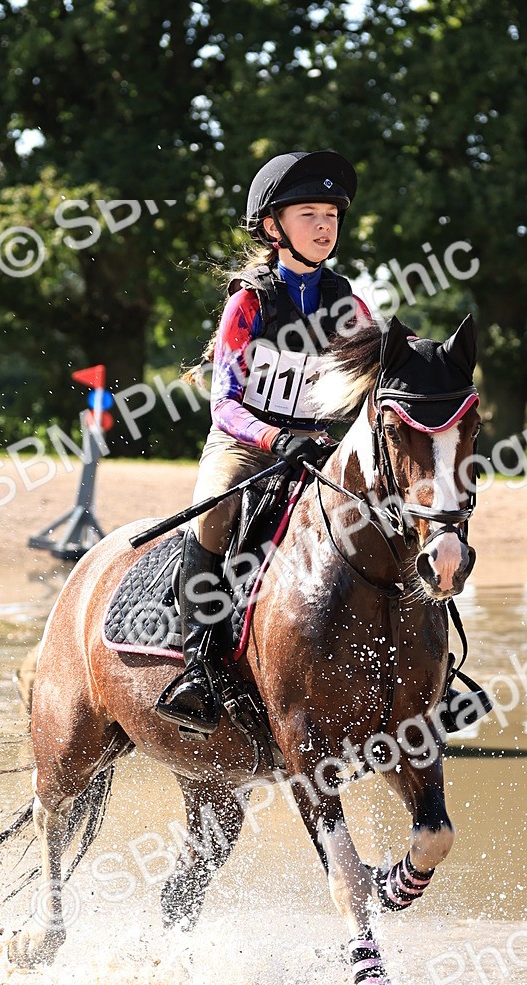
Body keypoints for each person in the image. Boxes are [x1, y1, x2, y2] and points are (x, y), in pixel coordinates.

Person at [156, 150, 371, 735]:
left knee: (393, 514)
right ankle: (198, 667)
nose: (325, 226)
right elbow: (223, 404)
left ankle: (430, 671)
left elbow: (379, 384)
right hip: (246, 444)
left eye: (331, 214)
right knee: (217, 508)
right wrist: (278, 438)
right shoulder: (248, 302)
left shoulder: (350, 307)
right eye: (310, 214)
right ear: (274, 228)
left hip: (323, 446)